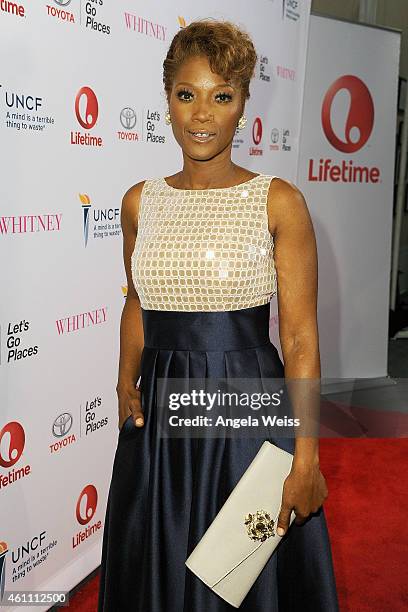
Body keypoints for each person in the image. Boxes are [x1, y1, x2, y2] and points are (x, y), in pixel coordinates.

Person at [98, 19, 339, 612]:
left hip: (245, 411)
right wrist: (126, 377)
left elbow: (302, 339)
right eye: (187, 94)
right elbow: (137, 298)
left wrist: (306, 457)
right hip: (158, 415)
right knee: (156, 554)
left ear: (242, 106)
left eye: (221, 96)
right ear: (168, 101)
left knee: (238, 577)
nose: (202, 114)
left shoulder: (277, 201)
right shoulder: (139, 201)